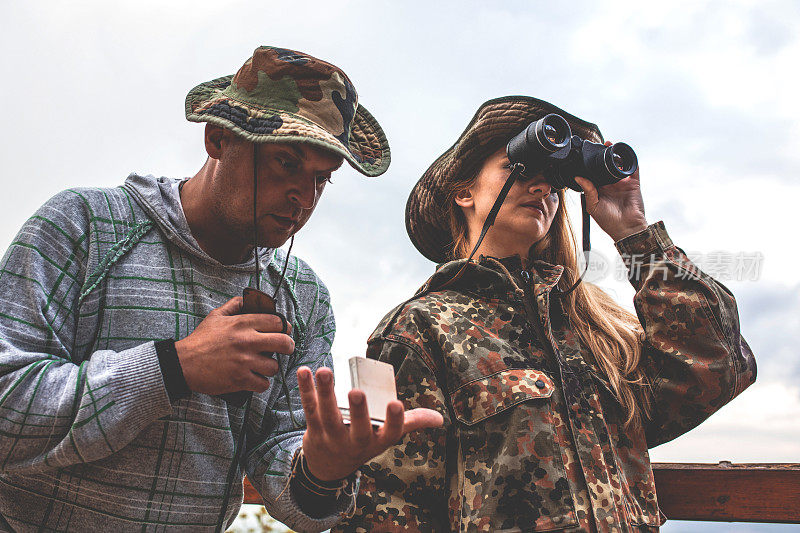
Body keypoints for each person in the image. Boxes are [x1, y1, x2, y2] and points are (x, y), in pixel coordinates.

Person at [0, 46, 441, 532]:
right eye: (285, 162)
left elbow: (286, 473)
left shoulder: (304, 295)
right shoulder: (83, 226)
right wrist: (174, 366)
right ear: (217, 138)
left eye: (322, 179)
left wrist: (323, 470)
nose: (303, 196)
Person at [335, 96, 756, 532]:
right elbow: (389, 503)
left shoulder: (593, 328)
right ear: (463, 192)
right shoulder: (420, 328)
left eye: (553, 182)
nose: (541, 189)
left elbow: (719, 368)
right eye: (517, 168)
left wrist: (634, 234)